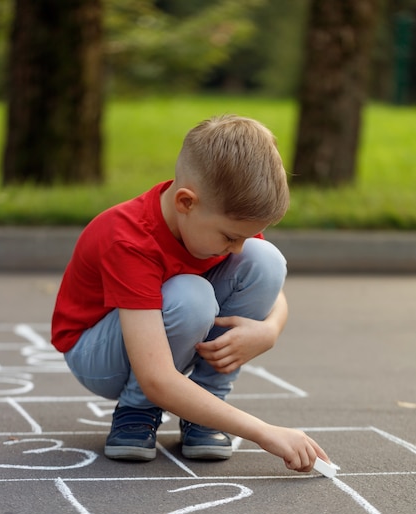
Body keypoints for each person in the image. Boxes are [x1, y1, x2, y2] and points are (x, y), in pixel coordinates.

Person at [51, 114, 330, 472]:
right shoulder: (128, 238)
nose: (235, 248)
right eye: (230, 236)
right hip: (98, 355)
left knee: (266, 261)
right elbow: (156, 376)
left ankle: (205, 412)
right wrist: (264, 432)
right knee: (190, 296)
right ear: (186, 202)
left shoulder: (215, 222)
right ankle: (137, 410)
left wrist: (270, 330)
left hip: (158, 331)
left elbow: (272, 291)